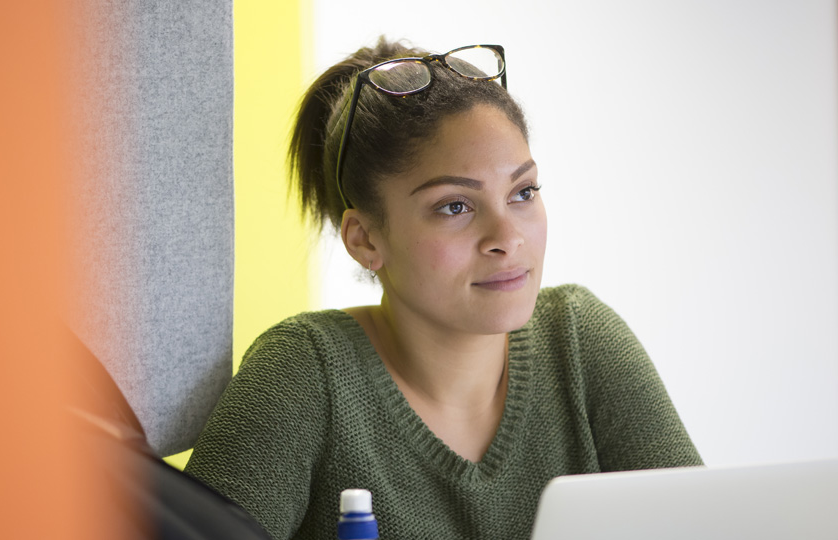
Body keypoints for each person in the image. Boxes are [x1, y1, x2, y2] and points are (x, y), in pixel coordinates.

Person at [185, 38, 702, 540]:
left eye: (523, 192)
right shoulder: (303, 374)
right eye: (455, 206)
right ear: (365, 239)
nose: (507, 238)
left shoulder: (582, 341)